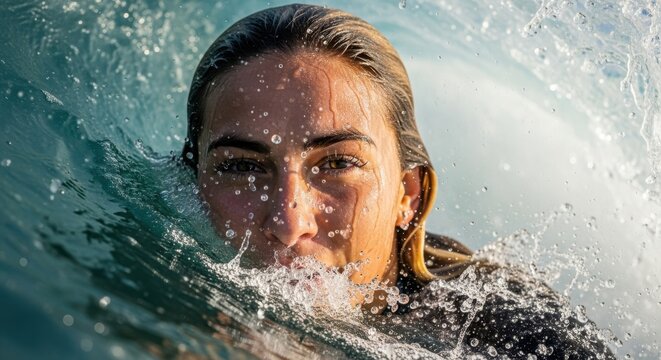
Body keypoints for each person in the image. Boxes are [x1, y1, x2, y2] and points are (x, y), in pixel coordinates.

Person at [182, 4, 614, 358]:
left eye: (337, 163)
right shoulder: (165, 283)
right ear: (194, 179)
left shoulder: (513, 331)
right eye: (241, 167)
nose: (289, 222)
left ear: (408, 193)